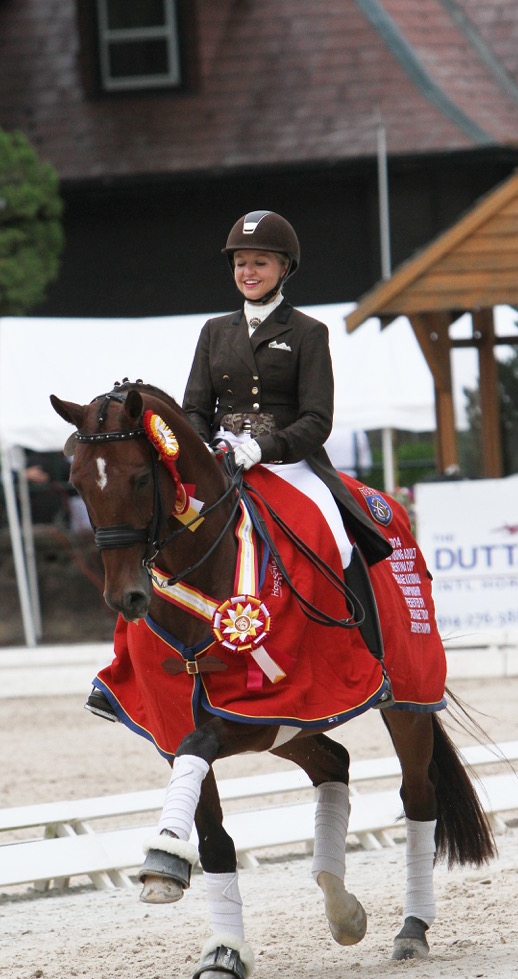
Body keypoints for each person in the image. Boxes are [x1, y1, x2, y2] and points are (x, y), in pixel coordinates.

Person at [182, 209, 393, 656]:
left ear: (283, 268)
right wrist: (203, 448)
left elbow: (317, 419)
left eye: (259, 262)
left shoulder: (307, 333)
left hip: (289, 461)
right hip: (222, 457)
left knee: (337, 540)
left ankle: (370, 651)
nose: (248, 271)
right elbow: (195, 408)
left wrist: (262, 448)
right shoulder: (214, 331)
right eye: (241, 262)